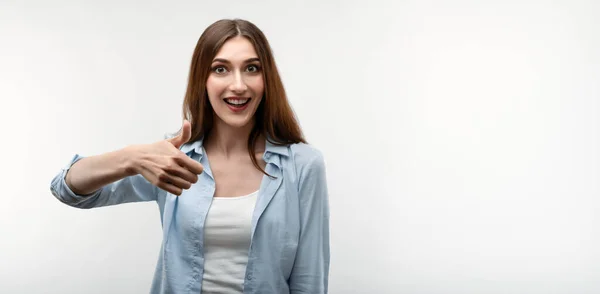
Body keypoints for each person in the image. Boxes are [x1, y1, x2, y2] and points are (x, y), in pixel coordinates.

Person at [49, 18, 330, 294]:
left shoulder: (302, 165)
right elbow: (68, 189)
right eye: (221, 69)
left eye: (252, 68)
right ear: (203, 80)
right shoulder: (172, 158)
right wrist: (130, 157)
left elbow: (309, 280)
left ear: (267, 78)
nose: (239, 85)